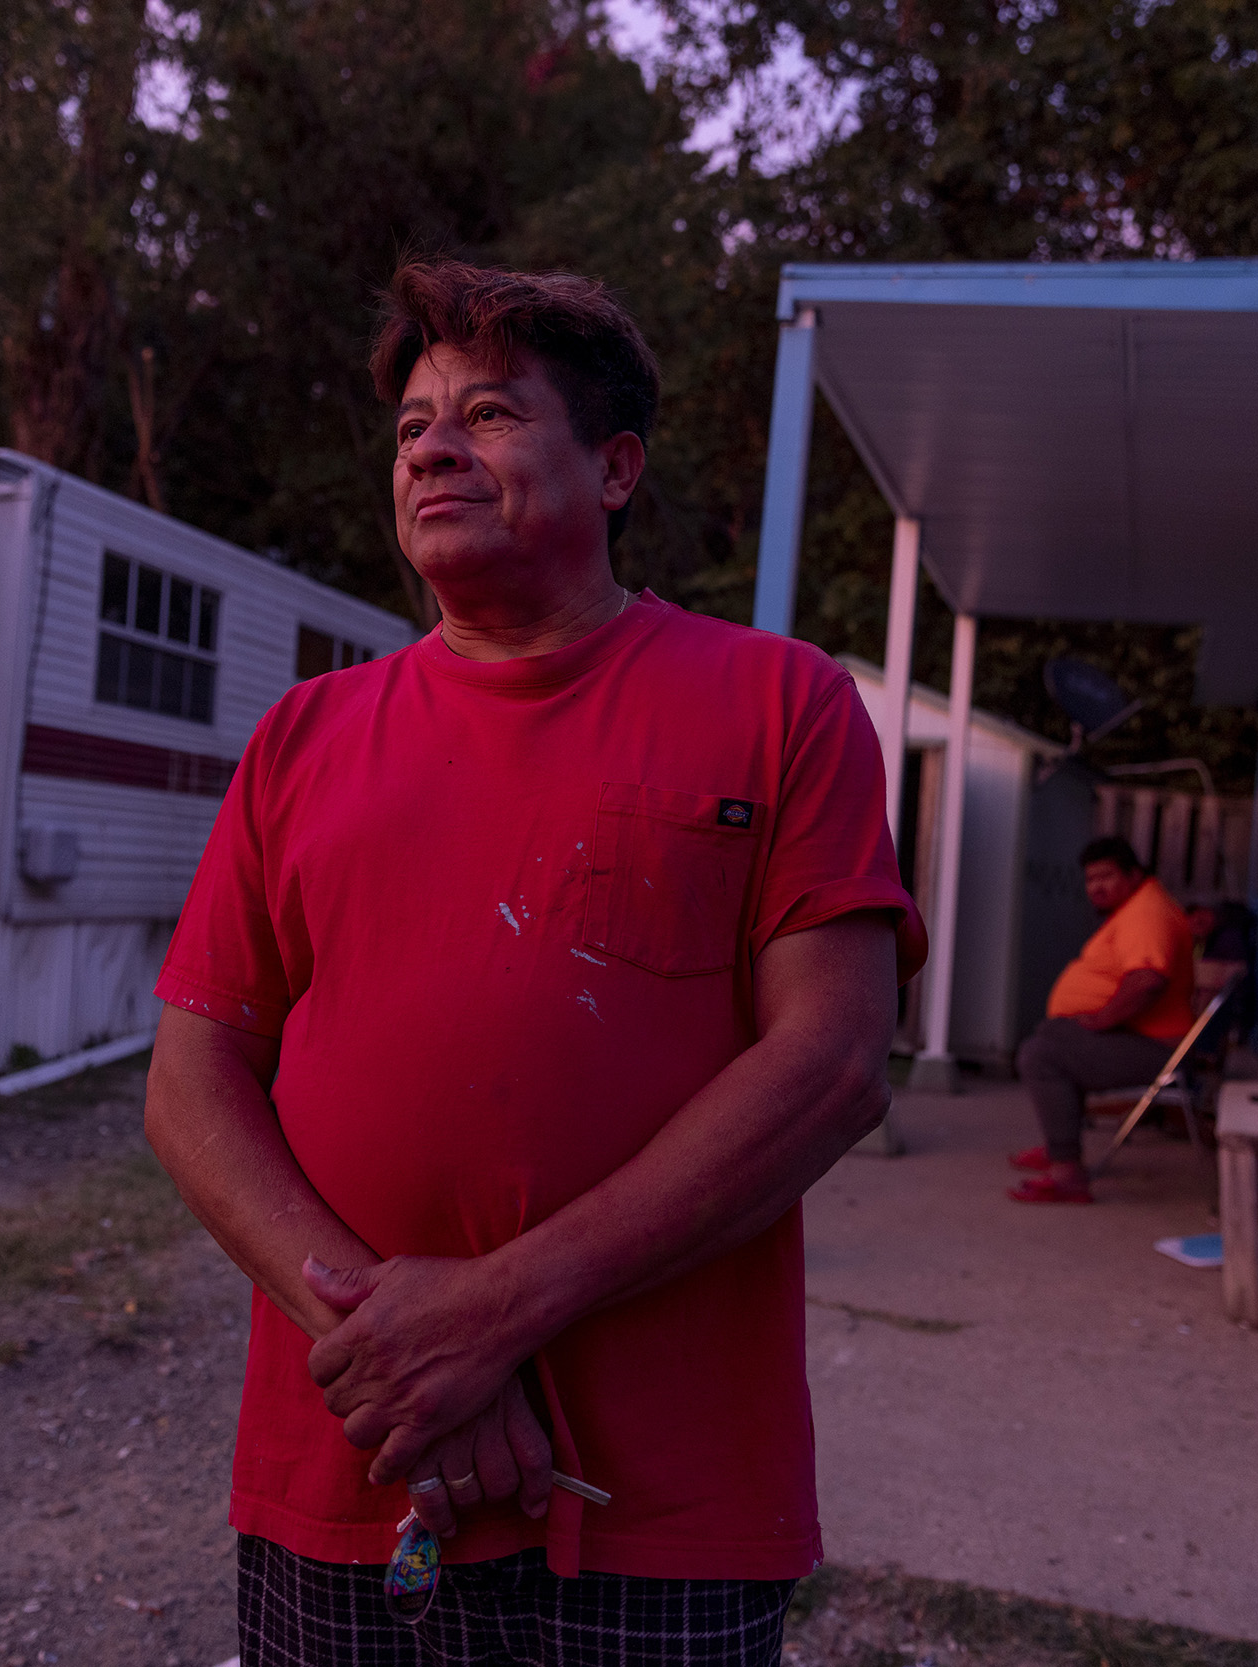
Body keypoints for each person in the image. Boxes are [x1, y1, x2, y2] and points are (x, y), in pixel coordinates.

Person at [143, 259, 926, 1667]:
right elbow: (192, 1077)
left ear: (615, 467)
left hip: (654, 1506)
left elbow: (832, 1062)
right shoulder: (304, 736)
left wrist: (499, 1306)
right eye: (413, 425)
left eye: (491, 412)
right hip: (354, 1472)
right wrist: (406, 1356)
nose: (434, 444)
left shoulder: (780, 702)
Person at [1007, 836, 1195, 1204]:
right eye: (1091, 879)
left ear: (1133, 875)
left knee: (1041, 1055)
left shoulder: (1146, 912)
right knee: (1053, 1035)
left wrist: (1103, 1019)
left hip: (1156, 1049)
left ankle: (1068, 1174)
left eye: (1106, 876)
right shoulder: (1134, 909)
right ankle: (1058, 1142)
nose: (1096, 887)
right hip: (1143, 1038)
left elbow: (1147, 981)